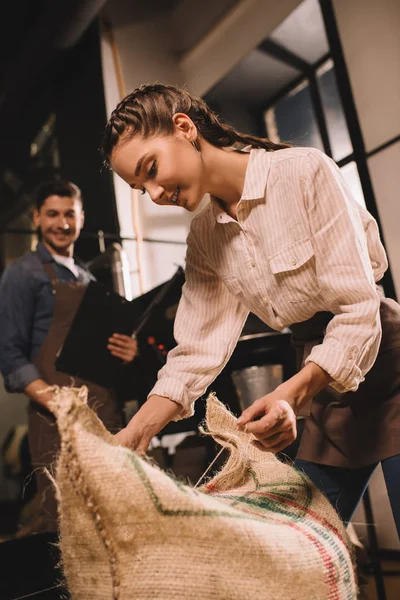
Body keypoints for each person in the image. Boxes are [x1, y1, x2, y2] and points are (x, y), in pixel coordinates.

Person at [101, 83, 400, 536]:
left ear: (184, 128)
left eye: (151, 169)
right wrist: (135, 433)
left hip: (391, 364)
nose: (157, 193)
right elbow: (195, 353)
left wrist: (291, 395)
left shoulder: (303, 172)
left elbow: (359, 311)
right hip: (328, 389)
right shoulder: (205, 237)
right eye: (142, 189)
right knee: (298, 545)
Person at [0, 180, 138, 531]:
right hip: (55, 419)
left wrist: (126, 351)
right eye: (52, 214)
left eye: (69, 215)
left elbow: (95, 346)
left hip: (103, 409)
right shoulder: (22, 273)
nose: (62, 223)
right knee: (69, 520)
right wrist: (56, 401)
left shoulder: (87, 275)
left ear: (82, 218)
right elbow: (9, 354)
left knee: (117, 510)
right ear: (36, 217)